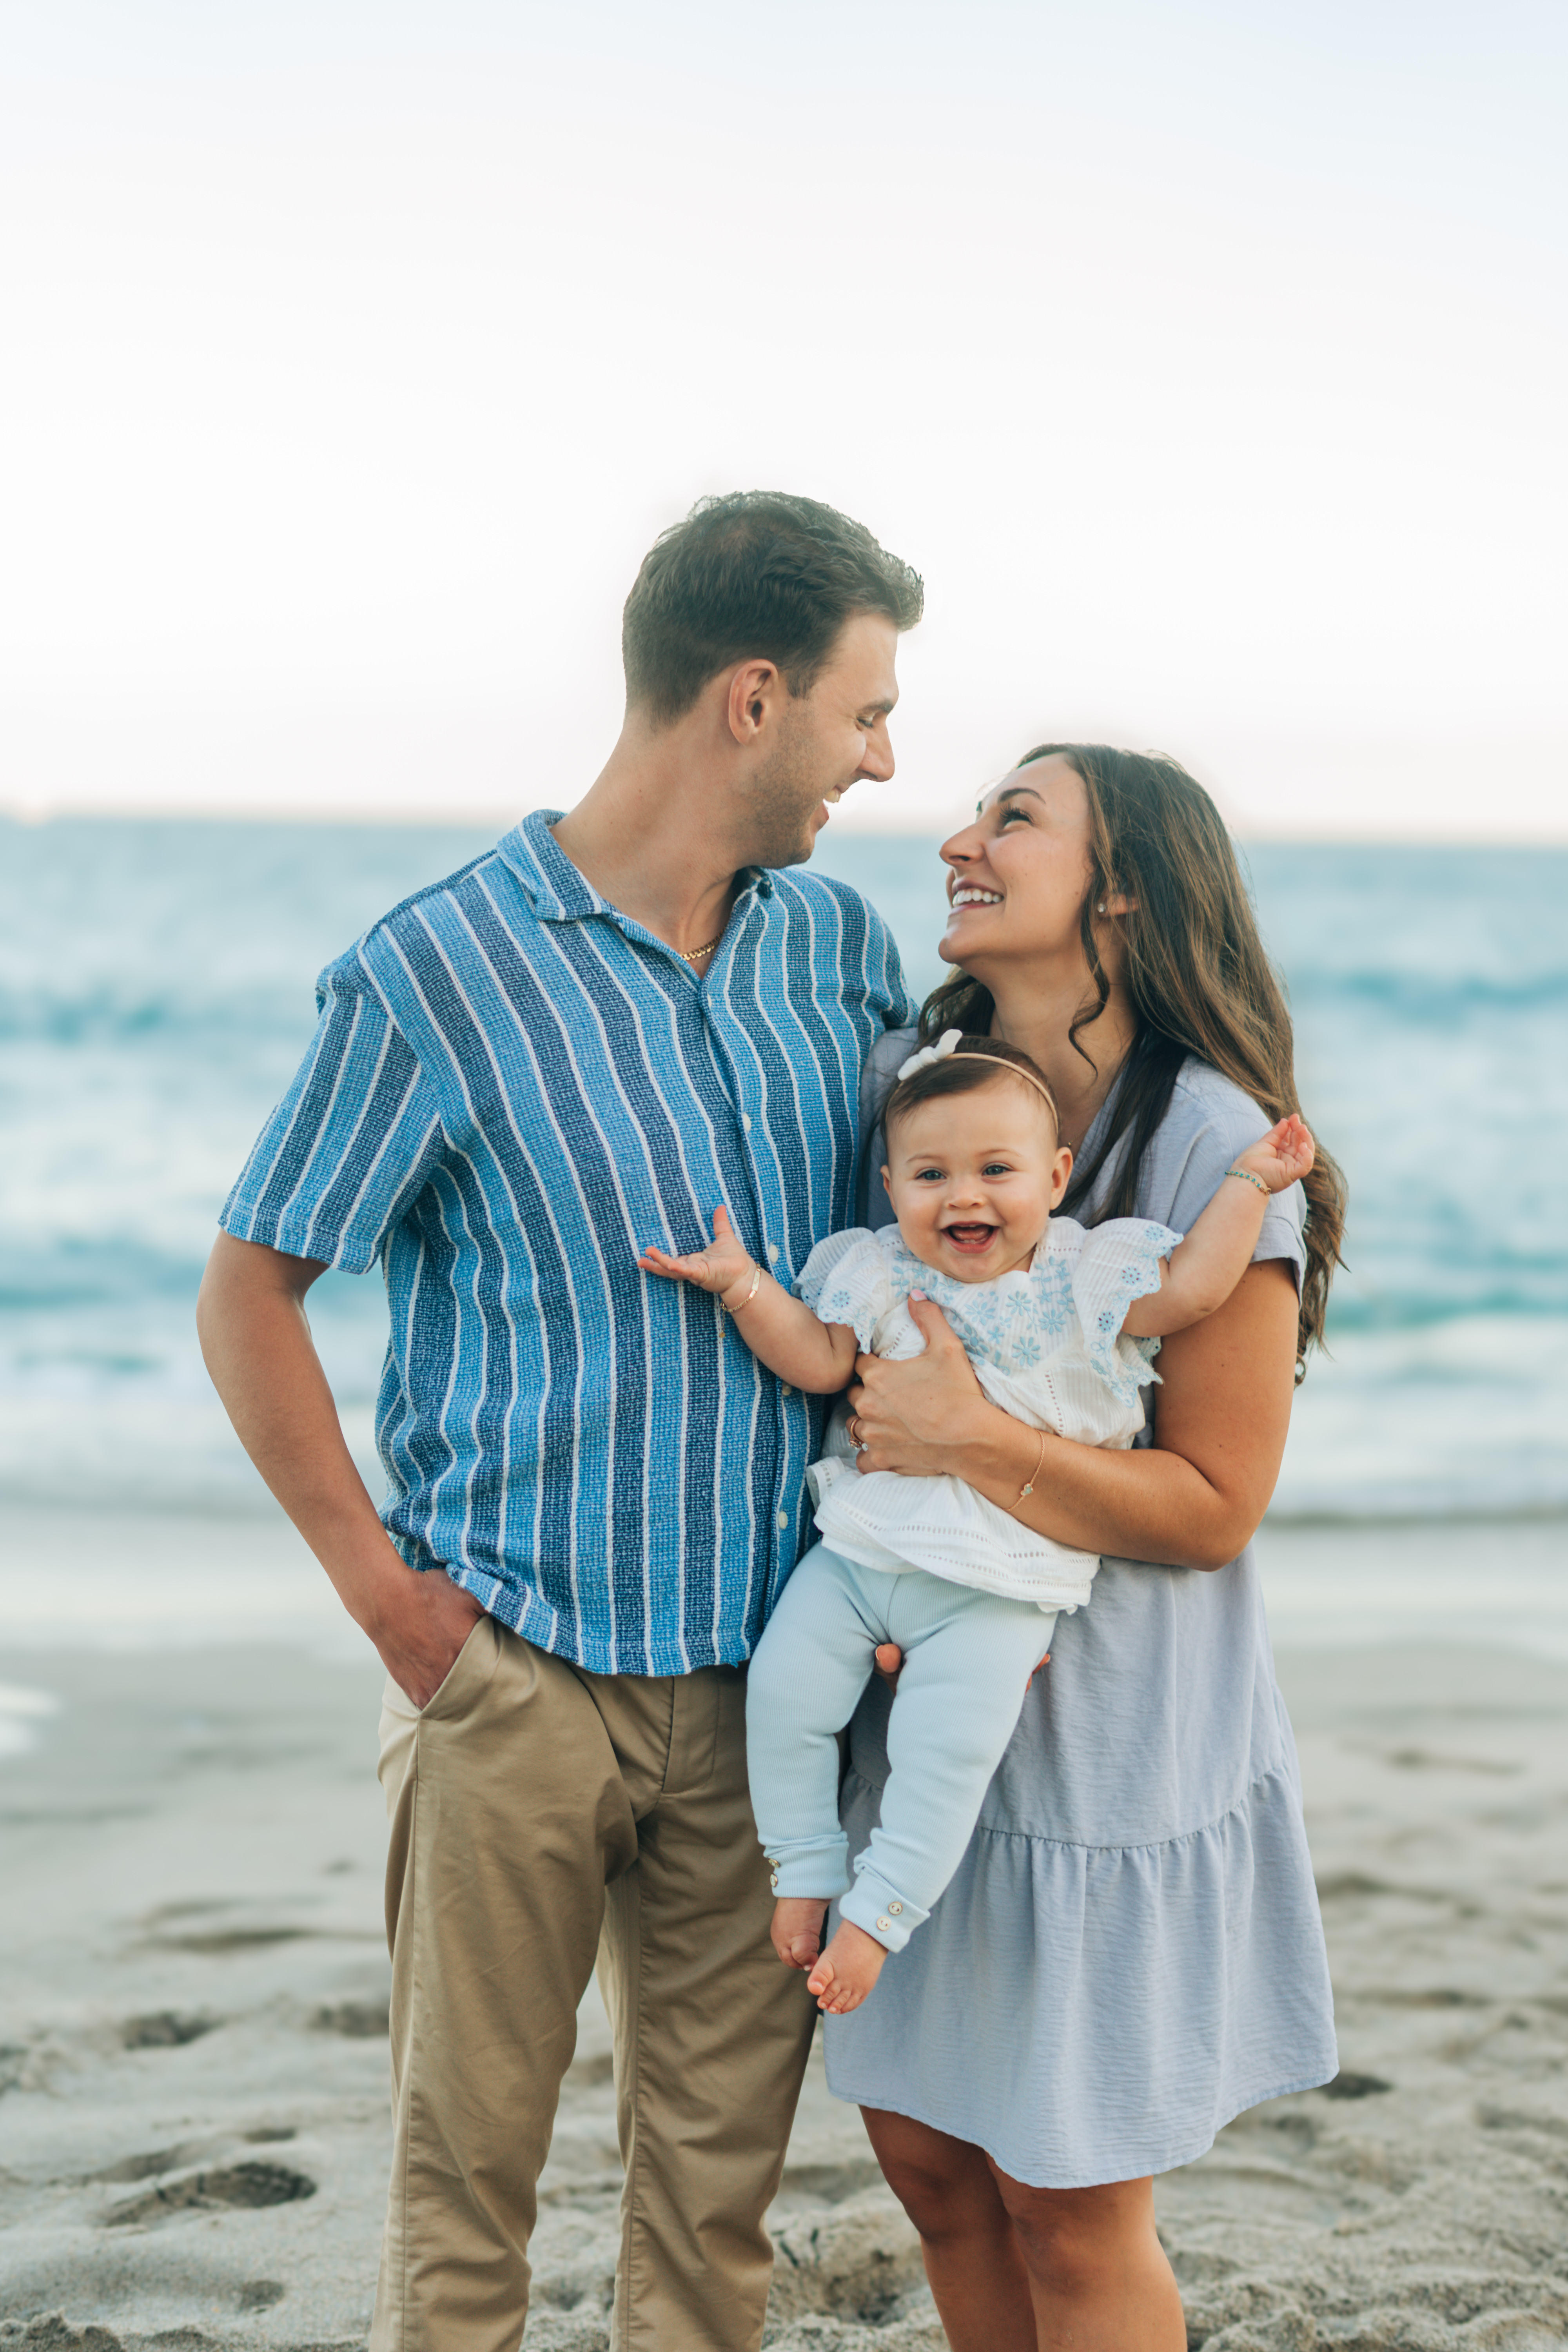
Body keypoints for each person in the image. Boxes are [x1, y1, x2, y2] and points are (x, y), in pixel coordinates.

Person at [194, 491, 924, 2352]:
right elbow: (251, 1285)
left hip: (771, 1691)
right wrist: (386, 1599)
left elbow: (926, 1240)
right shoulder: (436, 969)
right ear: (749, 699)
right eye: (862, 709)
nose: (882, 754)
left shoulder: (836, 952)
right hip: (510, 1669)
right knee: (464, 2208)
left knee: (713, 2217)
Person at [826, 745, 1347, 2352]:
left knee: (1064, 2201)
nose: (958, 840)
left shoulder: (1208, 1138)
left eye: (1012, 820)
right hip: (918, 1718)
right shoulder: (922, 1086)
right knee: (926, 2167)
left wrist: (966, 1438)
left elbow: (1210, 1508)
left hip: (1107, 1738)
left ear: (1119, 885)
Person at [641, 1028, 1315, 2017]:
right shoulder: (877, 1273)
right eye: (929, 1175)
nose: (962, 1196)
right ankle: (802, 1865)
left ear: (1054, 1177)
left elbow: (1192, 1290)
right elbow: (820, 1360)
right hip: (865, 1549)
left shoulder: (1086, 1278)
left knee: (945, 1755)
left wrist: (1249, 1185)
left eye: (994, 1170)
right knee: (784, 1694)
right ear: (892, 1185)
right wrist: (745, 1288)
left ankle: (878, 1918)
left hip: (999, 1584)